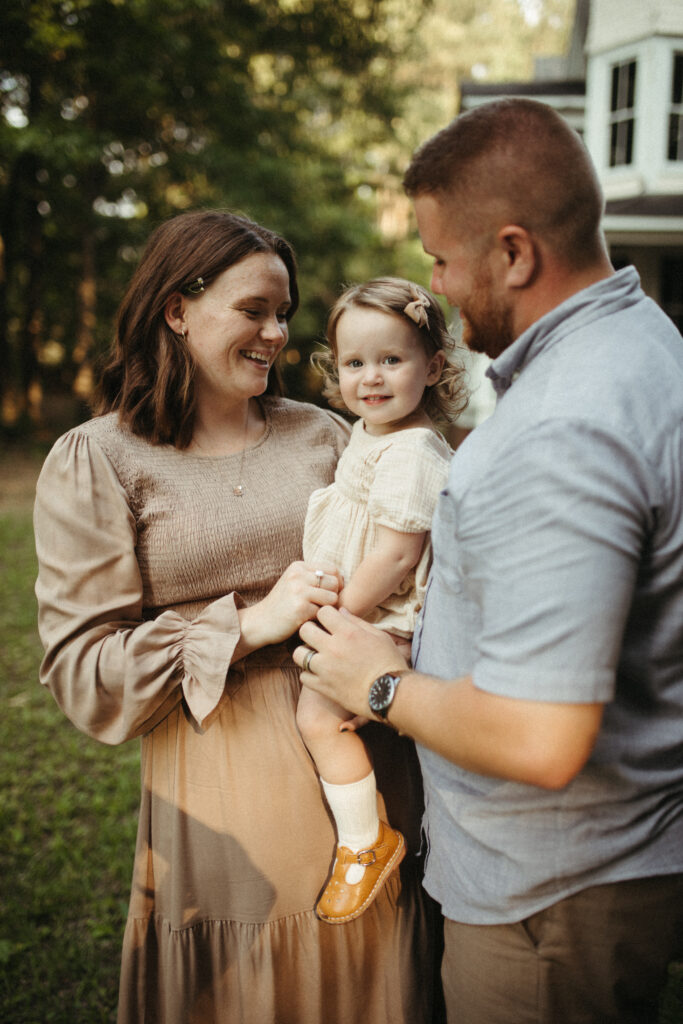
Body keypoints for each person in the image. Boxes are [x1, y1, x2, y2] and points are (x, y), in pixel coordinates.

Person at [294, 98, 683, 1024]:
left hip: (546, 898)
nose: (434, 282)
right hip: (598, 864)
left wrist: (378, 683)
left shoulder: (564, 427)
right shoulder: (645, 344)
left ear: (513, 253)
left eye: (439, 258)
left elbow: (540, 739)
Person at [33, 210, 443, 1023]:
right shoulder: (101, 458)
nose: (276, 333)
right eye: (253, 309)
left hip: (368, 758)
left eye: (283, 313)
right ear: (176, 310)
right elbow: (83, 673)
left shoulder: (329, 435)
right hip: (224, 796)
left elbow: (418, 552)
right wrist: (251, 624)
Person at [297, 277, 463, 924]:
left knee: (317, 715)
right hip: (364, 610)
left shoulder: (414, 449)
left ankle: (365, 843)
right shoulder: (368, 432)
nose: (371, 377)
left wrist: (333, 619)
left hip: (381, 619)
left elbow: (394, 556)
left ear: (433, 367)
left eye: (391, 360)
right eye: (353, 363)